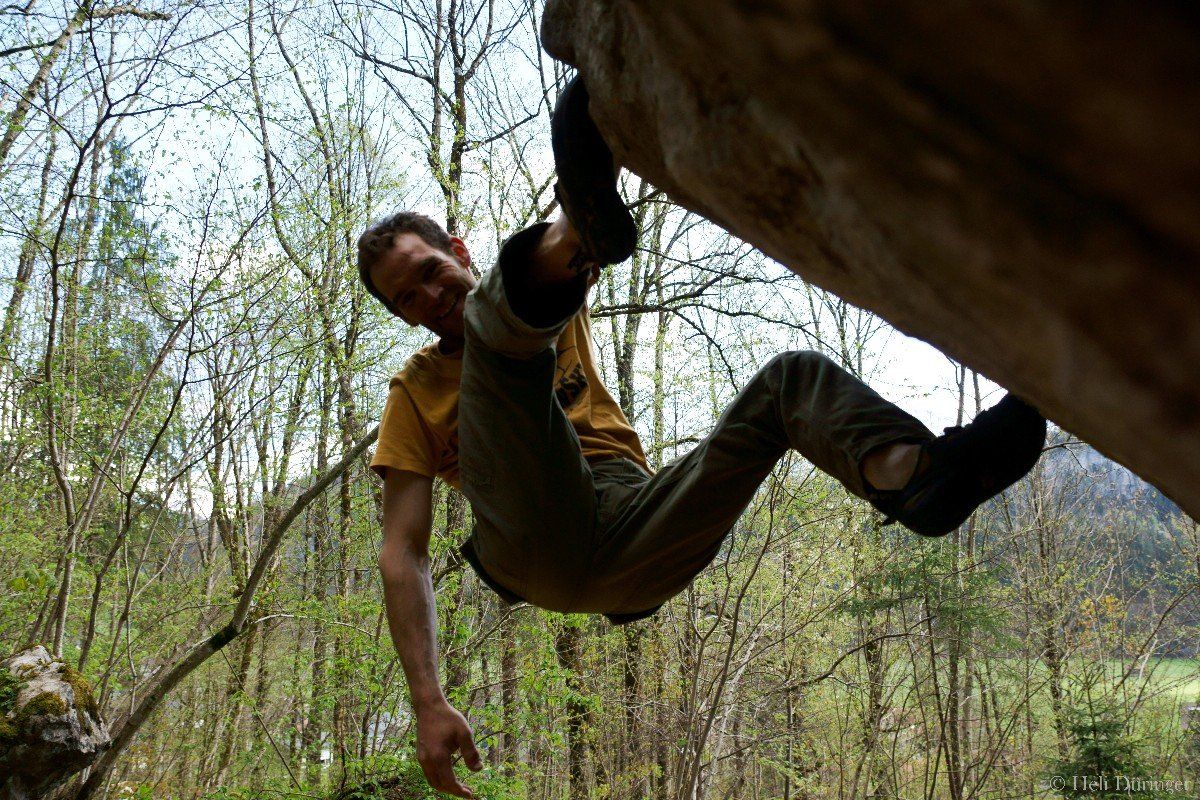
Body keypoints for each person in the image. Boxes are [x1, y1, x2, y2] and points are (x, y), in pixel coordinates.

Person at [359, 78, 1047, 798]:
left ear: (458, 249)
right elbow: (402, 552)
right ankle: (575, 226)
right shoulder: (416, 390)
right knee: (496, 336)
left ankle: (913, 477)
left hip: (638, 541)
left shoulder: (533, 294)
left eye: (432, 272)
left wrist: (613, 110)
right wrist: (427, 701)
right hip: (535, 543)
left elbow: (553, 250)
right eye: (408, 298)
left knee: (787, 384)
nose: (430, 298)